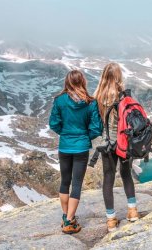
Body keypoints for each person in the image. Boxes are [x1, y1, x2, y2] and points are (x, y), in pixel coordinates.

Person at [49, 69, 103, 234]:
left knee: (65, 181)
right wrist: (85, 137)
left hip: (65, 146)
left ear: (67, 82)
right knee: (77, 183)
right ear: (83, 82)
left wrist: (65, 134)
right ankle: (70, 221)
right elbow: (96, 128)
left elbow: (54, 123)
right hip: (81, 147)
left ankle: (66, 215)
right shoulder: (91, 103)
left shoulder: (59, 101)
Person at [94, 62, 139, 232]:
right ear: (119, 76)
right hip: (124, 143)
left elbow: (96, 123)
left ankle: (111, 220)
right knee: (126, 174)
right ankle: (133, 211)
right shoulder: (123, 96)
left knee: (108, 179)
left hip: (107, 144)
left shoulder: (97, 97)